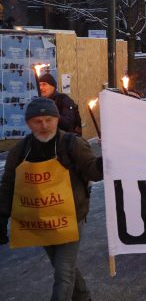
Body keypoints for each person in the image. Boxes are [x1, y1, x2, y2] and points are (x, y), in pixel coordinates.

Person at [0, 97, 103, 300]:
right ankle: (84, 297)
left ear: (57, 119)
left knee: (63, 272)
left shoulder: (72, 144)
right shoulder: (19, 152)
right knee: (63, 265)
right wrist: (2, 217)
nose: (44, 126)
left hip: (71, 217)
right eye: (37, 121)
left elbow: (93, 171)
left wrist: (103, 162)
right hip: (40, 220)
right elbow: (8, 185)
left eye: (49, 119)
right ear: (28, 123)